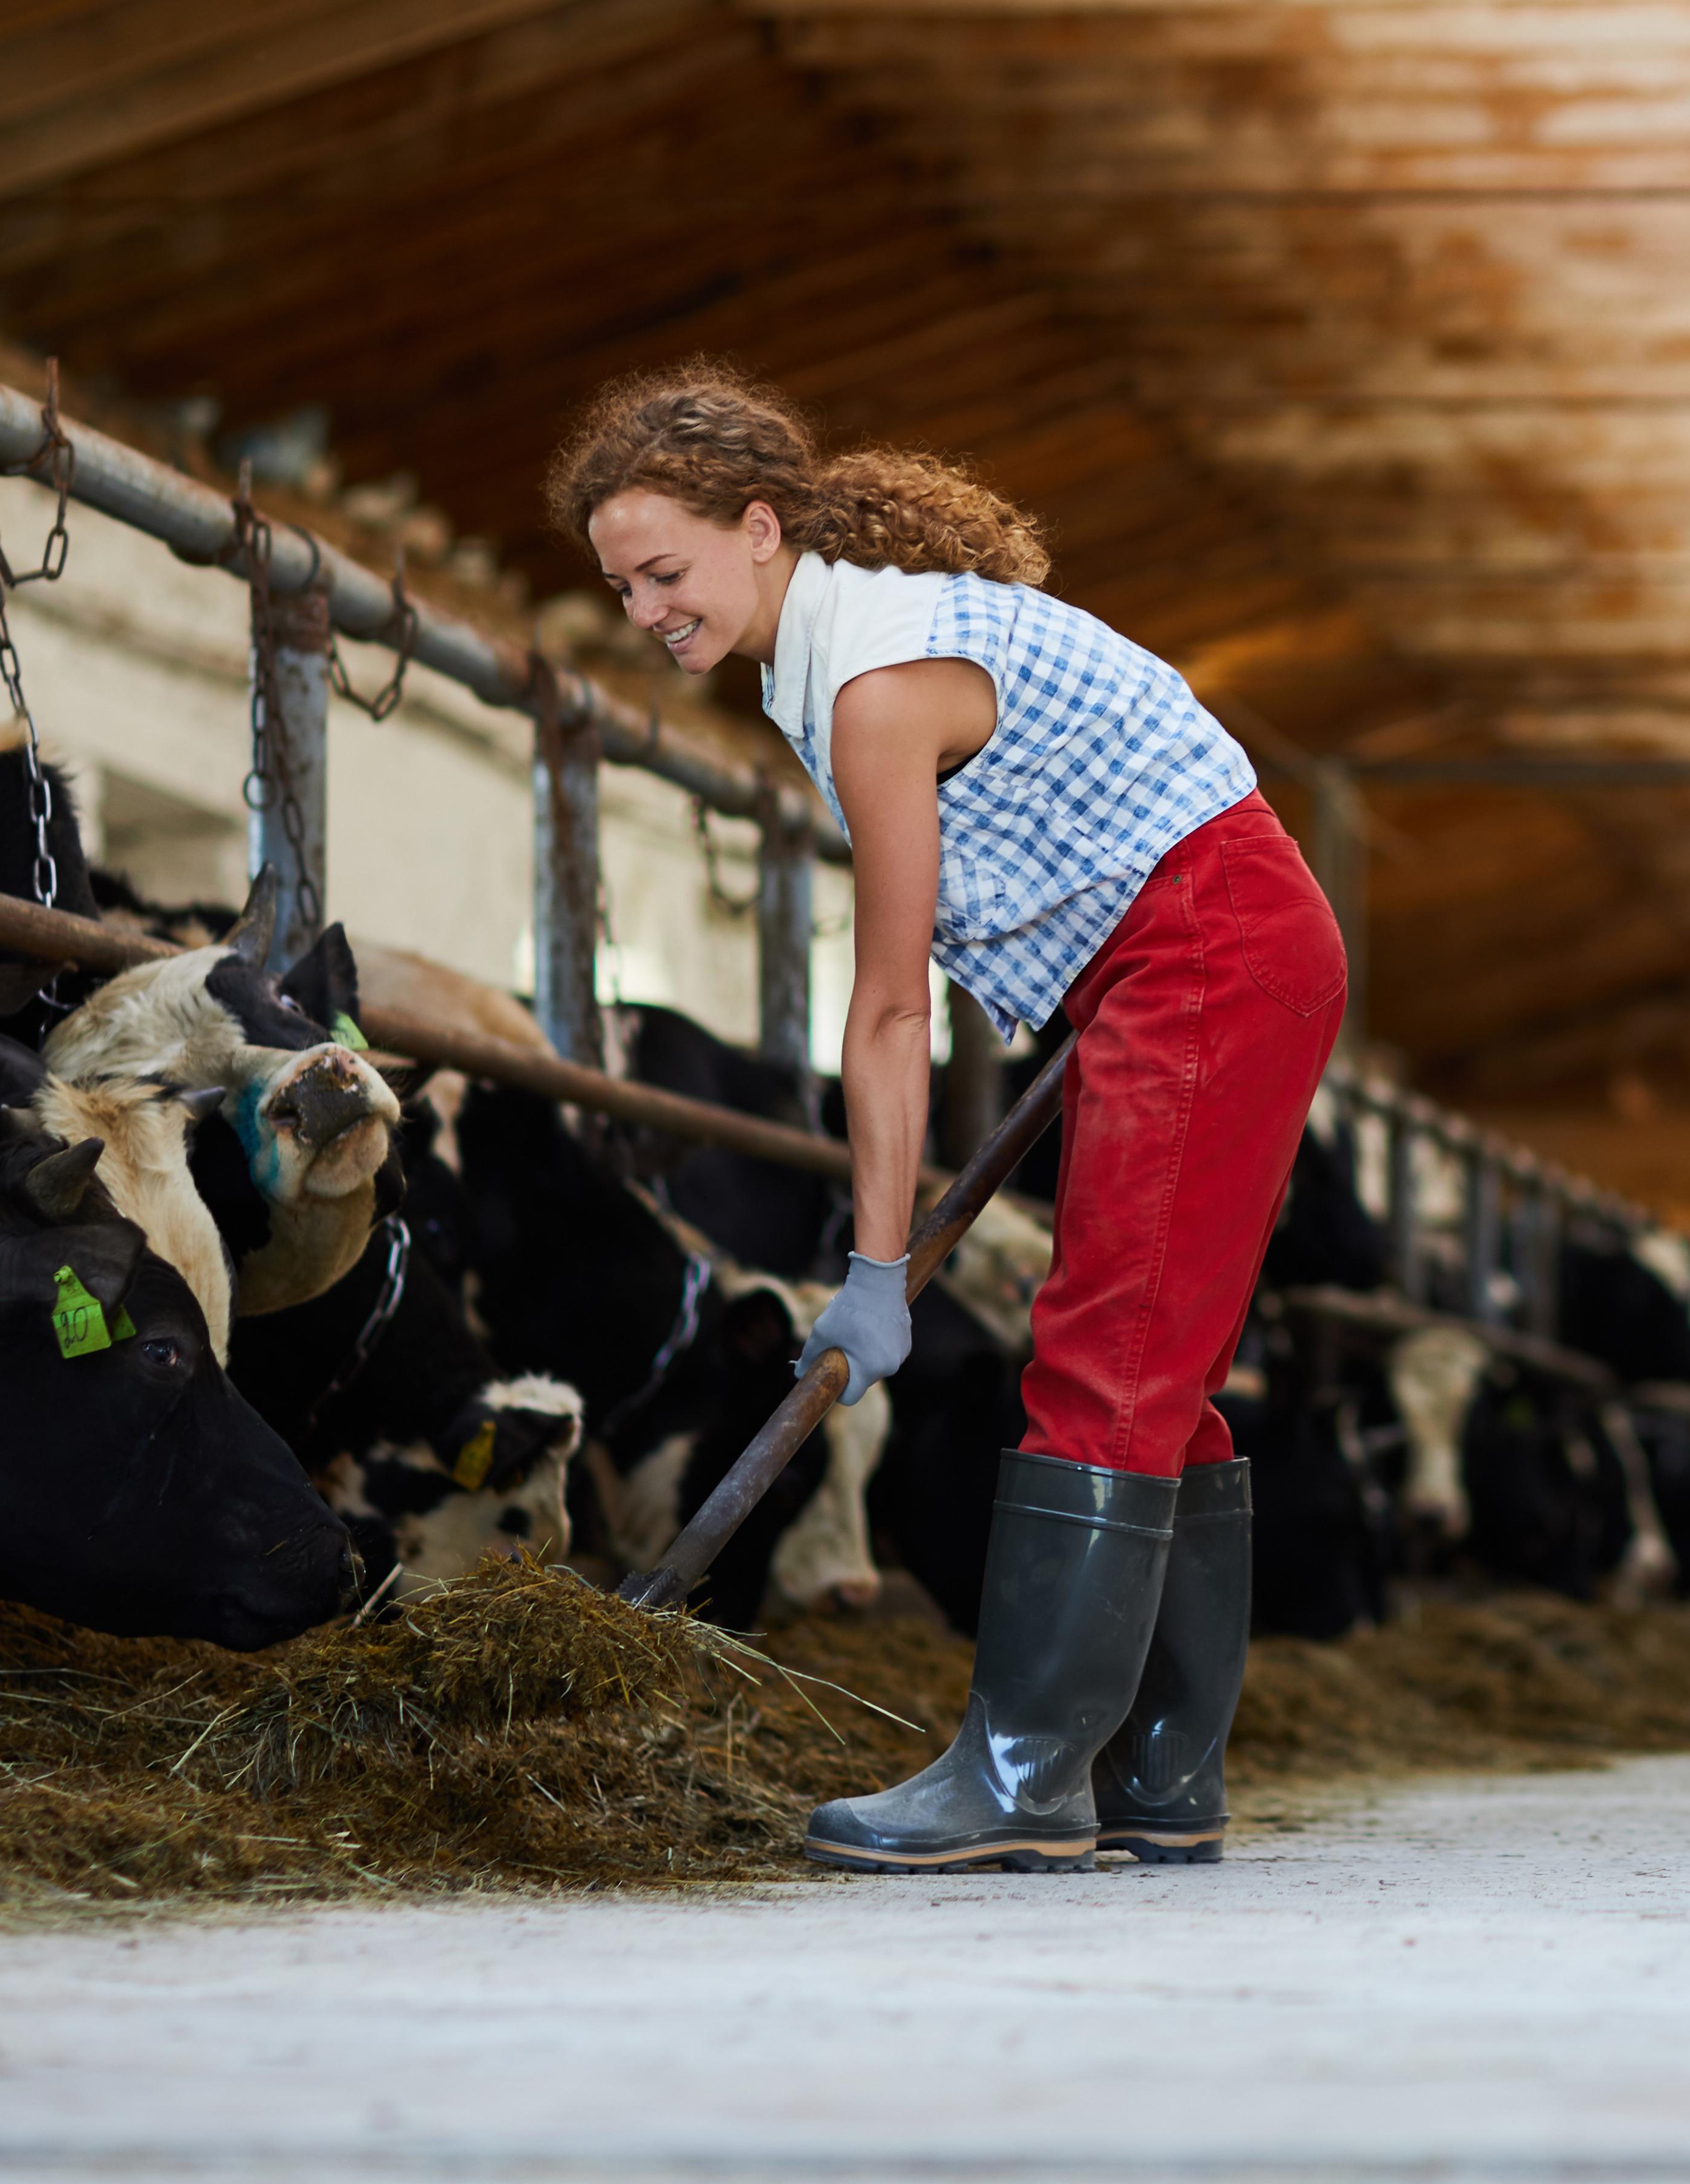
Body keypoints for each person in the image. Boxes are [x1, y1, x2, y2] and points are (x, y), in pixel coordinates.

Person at [547, 364, 1347, 1874]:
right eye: (620, 584)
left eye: (666, 570)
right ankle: (1160, 1773)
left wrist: (867, 1262)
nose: (647, 608)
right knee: (1152, 1363)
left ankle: (1028, 1774)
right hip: (1201, 938)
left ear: (763, 528)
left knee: (1104, 1354)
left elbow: (892, 1012)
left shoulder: (870, 683)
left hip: (1209, 946)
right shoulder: (849, 636)